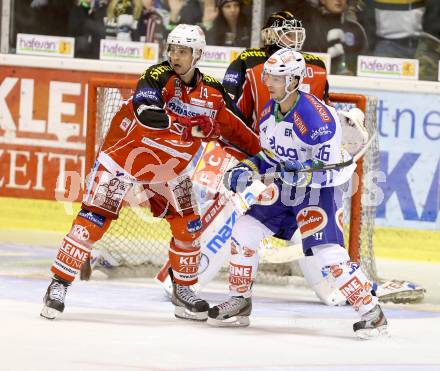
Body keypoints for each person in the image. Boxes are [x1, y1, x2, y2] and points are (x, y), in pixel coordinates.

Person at [40, 24, 260, 321]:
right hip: (124, 159)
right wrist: (196, 125)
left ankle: (183, 290)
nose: (175, 56)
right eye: (172, 49)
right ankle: (58, 285)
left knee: (189, 225)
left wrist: (261, 155)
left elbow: (239, 132)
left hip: (170, 168)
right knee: (92, 220)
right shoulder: (157, 76)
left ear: (197, 55)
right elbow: (148, 113)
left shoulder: (213, 91)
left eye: (183, 51)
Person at [207, 49, 388, 339]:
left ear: (293, 80)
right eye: (268, 76)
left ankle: (372, 313)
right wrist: (247, 167)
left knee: (329, 256)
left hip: (319, 192)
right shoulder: (269, 111)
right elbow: (269, 155)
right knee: (244, 229)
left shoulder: (318, 119)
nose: (269, 83)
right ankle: (240, 301)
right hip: (286, 189)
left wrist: (303, 170)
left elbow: (329, 169)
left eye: (277, 78)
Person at [222, 10, 329, 131]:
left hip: (302, 143)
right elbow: (229, 109)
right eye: (288, 35)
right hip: (260, 143)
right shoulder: (249, 61)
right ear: (271, 35)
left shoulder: (317, 66)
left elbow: (323, 113)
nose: (294, 40)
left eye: (296, 35)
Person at [302, 0, 368, 75]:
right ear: (322, 1)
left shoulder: (356, 29)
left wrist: (353, 72)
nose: (339, 1)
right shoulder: (310, 27)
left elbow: (363, 63)